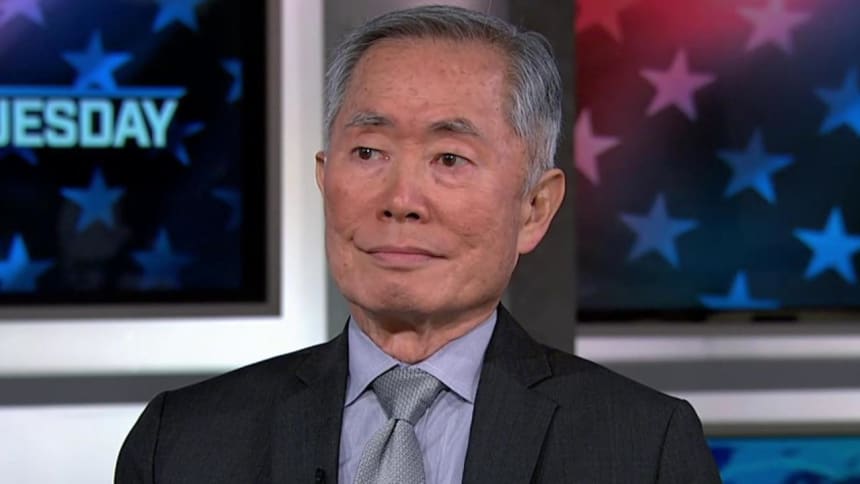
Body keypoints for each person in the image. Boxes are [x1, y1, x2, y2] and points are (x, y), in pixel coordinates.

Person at [115, 5, 721, 483]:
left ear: (535, 208)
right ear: (324, 178)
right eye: (368, 152)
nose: (401, 198)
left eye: (449, 158)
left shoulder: (642, 448)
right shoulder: (183, 444)